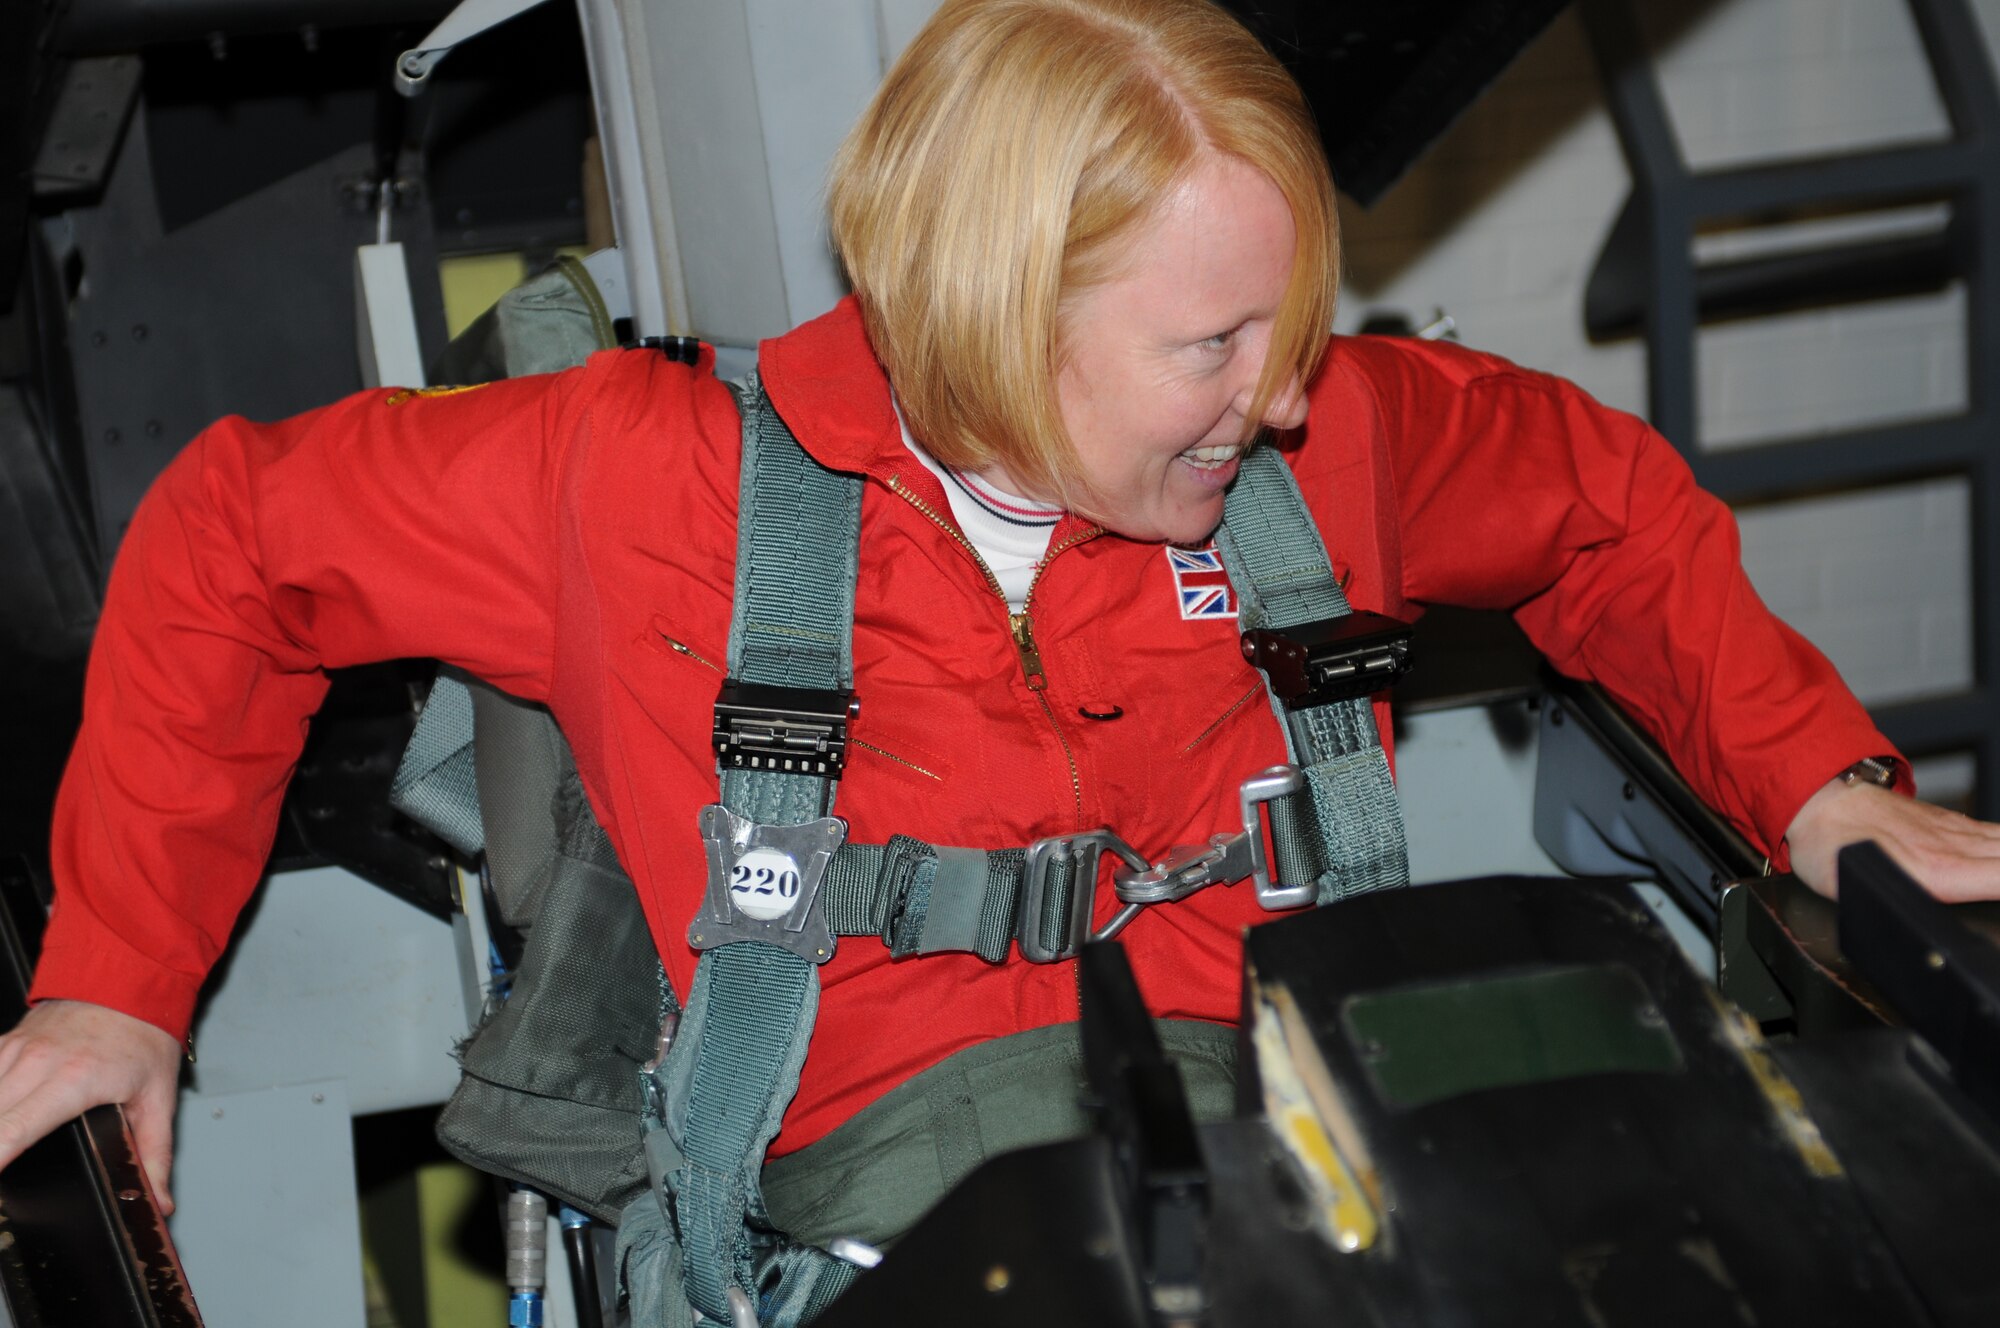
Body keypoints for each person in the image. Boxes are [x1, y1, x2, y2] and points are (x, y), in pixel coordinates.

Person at [0, 0, 1995, 1292]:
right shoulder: (643, 481)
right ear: (987, 311)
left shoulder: (1320, 450)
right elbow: (232, 538)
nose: (1281, 395)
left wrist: (1824, 794)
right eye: (1210, 346)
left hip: (1312, 1149)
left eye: (1290, 327)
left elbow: (1596, 502)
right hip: (918, 1220)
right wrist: (117, 993)